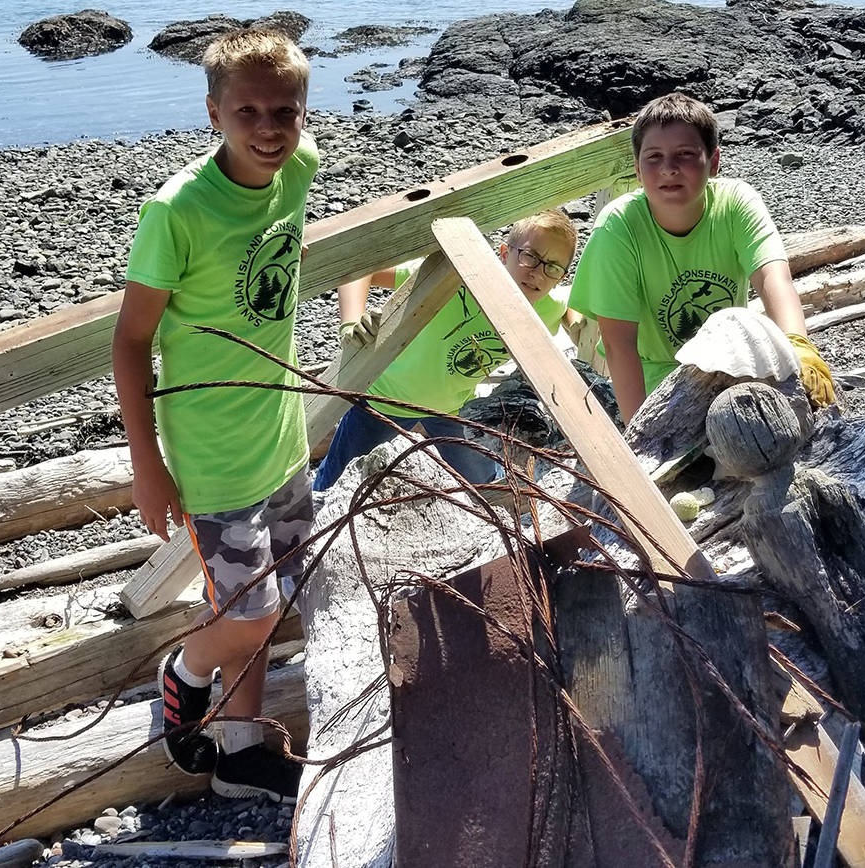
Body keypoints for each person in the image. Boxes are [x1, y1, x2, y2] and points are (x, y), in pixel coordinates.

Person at [112, 28, 316, 801]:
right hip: (213, 455)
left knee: (265, 598)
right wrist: (147, 465)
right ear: (213, 114)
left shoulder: (299, 166)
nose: (268, 127)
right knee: (251, 615)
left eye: (285, 111)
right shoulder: (177, 212)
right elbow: (131, 342)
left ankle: (239, 751)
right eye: (248, 111)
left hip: (281, 433)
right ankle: (188, 670)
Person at [569, 92, 835, 424]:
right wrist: (638, 433)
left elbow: (772, 278)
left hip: (733, 363)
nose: (668, 169)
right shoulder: (618, 228)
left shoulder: (736, 202)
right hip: (657, 377)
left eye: (685, 154)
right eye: (654, 157)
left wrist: (799, 348)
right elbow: (620, 342)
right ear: (637, 169)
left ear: (713, 162)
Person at [312, 209, 579, 491]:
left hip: (452, 407)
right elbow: (359, 268)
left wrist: (576, 322)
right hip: (385, 397)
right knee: (335, 481)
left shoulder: (546, 307)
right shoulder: (456, 277)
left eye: (552, 266)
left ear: (560, 276)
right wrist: (351, 322)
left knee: (484, 481)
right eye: (529, 256)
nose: (537, 272)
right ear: (503, 253)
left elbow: (570, 304)